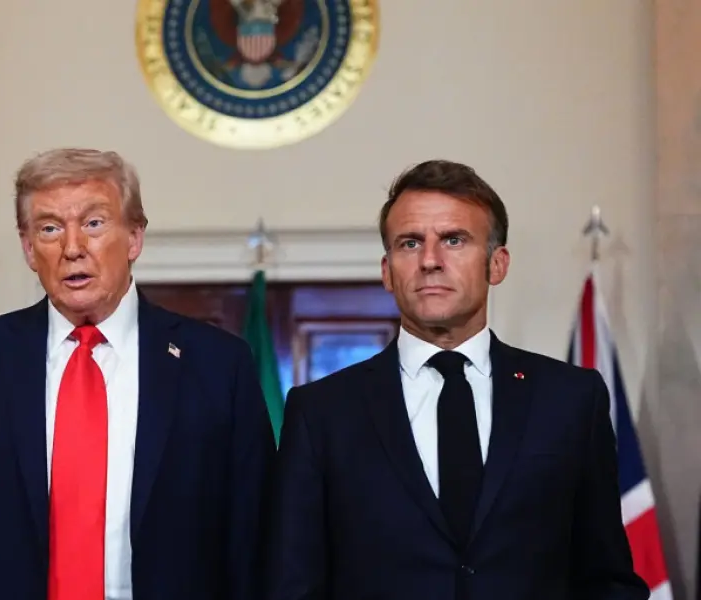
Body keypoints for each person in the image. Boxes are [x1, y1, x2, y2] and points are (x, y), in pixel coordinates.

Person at [0, 148, 276, 600]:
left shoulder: (218, 366)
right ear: (29, 249)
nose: (72, 248)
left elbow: (254, 544)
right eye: (50, 228)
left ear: (134, 238)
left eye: (93, 223)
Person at [262, 160, 649, 600]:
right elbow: (293, 585)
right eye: (410, 243)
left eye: (454, 240)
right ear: (387, 271)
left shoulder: (571, 398)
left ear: (497, 264)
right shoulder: (322, 412)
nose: (430, 260)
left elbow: (606, 578)